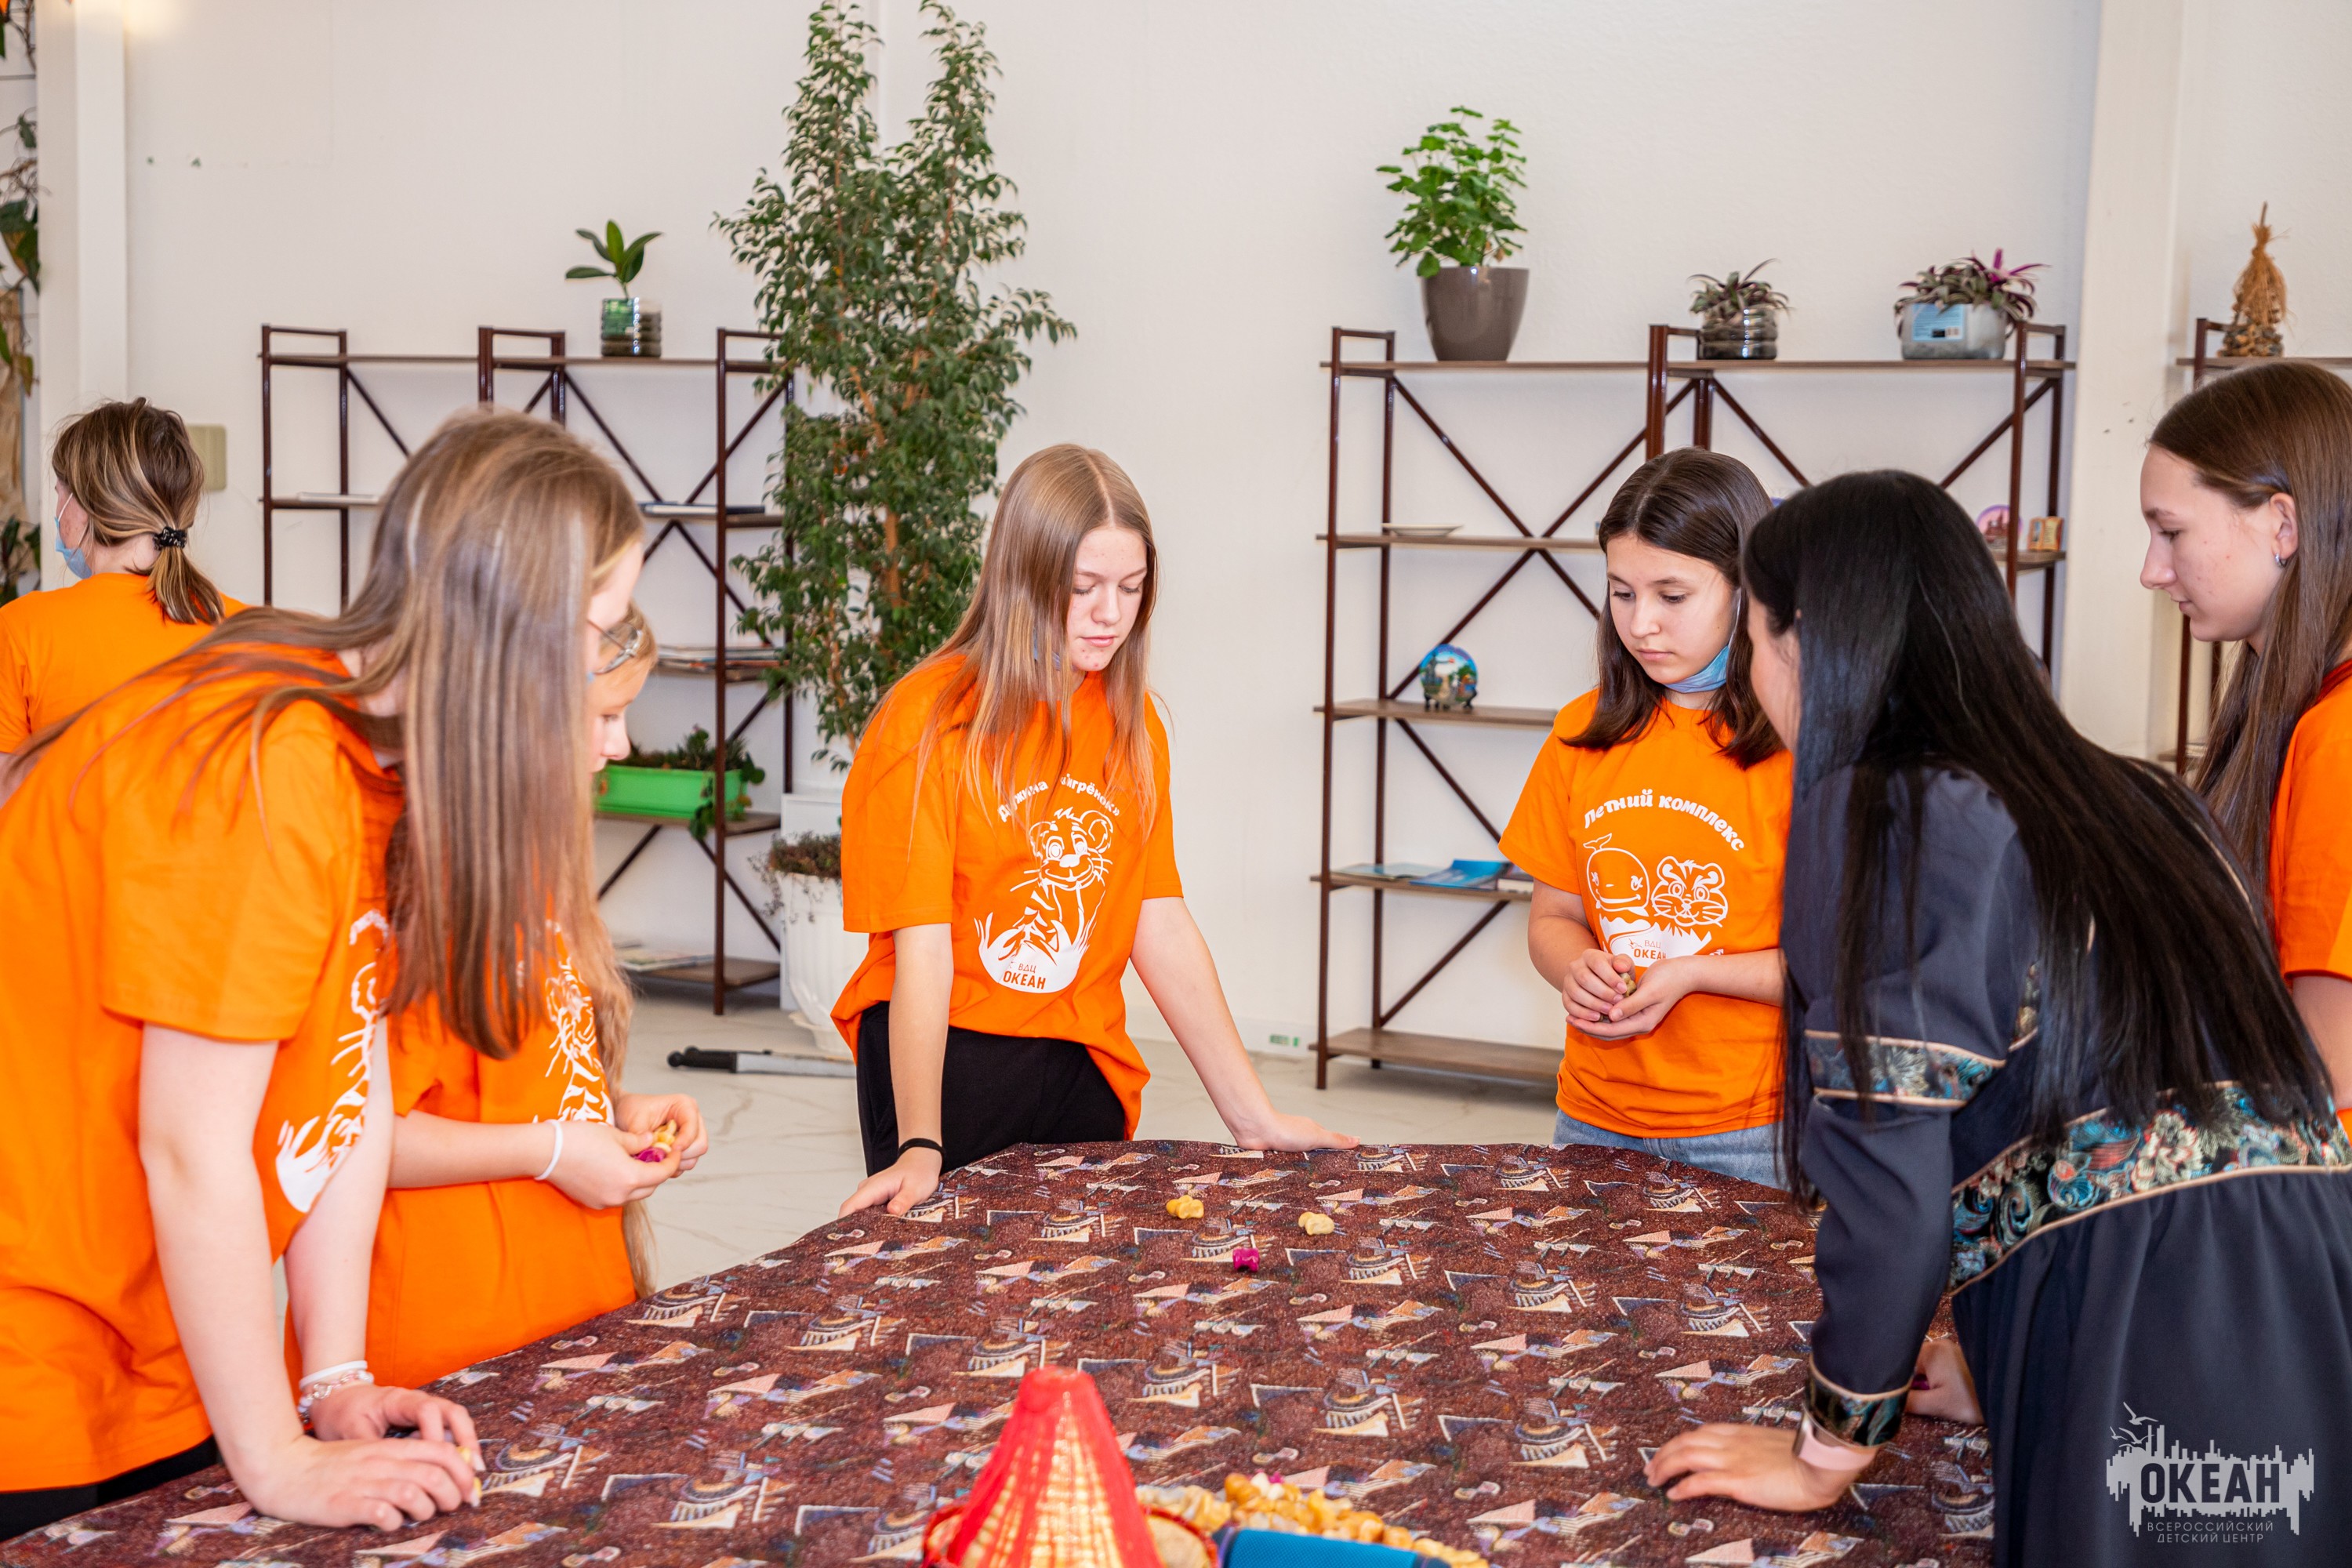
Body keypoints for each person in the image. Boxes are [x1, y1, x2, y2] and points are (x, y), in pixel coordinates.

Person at [1648, 470, 2352, 1566]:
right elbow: (2102, 1091)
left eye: (1756, 637)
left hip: (2135, 1321)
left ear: (1812, 640)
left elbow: (1888, 1176)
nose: (1752, 672)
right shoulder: (2146, 798)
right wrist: (1989, 1362)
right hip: (2312, 1283)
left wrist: (1827, 1448)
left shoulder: (1885, 808)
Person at [0, 408, 645, 1536]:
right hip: (42, 1335)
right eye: (602, 634)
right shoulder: (271, 759)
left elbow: (350, 1076)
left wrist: (332, 1376)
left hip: (165, 1326)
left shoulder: (377, 756)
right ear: (508, 630)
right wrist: (276, 1459)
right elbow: (191, 1148)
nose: (615, 726)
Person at [833, 443, 1353, 1218]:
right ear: (1023, 578)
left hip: (1083, 1059)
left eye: (1131, 587)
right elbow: (924, 949)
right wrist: (920, 1142)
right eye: (1083, 588)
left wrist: (1254, 1117)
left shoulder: (1132, 724)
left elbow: (1156, 918)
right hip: (951, 1057)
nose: (1111, 613)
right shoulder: (927, 722)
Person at [358, 604, 708, 1392]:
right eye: (607, 715)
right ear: (526, 711)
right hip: (458, 1343)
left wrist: (618, 1112)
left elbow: (522, 1083)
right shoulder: (434, 888)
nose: (621, 745)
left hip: (566, 1308)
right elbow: (363, 1137)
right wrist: (553, 1152)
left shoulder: (533, 863)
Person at [1497, 448, 1791, 1187]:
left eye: (1672, 595)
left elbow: (1841, 970)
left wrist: (1692, 975)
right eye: (1622, 593)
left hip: (1753, 1128)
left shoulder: (1801, 745)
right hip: (1592, 1115)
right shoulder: (1581, 731)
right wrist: (1576, 967)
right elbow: (1552, 919)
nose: (1642, 623)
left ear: (1748, 589)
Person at [2140, 359, 2352, 1135]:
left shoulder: (2339, 741)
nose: (2152, 570)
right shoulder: (2303, 715)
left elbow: (2331, 1074)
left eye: (2171, 531)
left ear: (2282, 527)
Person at [0, 398, 241, 777]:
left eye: (61, 491)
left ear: (85, 505)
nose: (58, 507)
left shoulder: (21, 630)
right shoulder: (245, 629)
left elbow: (7, 794)